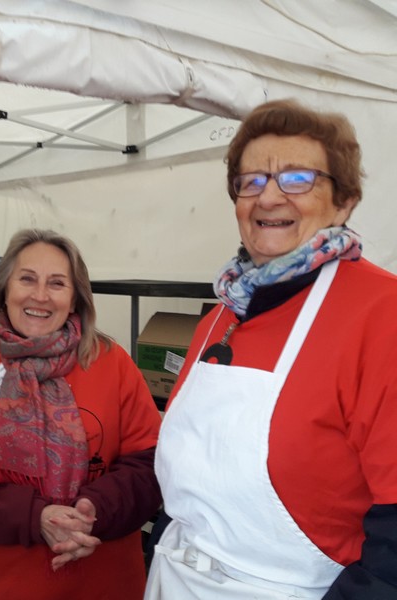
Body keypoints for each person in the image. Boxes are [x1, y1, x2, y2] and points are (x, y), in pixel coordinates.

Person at [145, 99, 397, 599]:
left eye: (298, 179)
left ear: (344, 200)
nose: (269, 197)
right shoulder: (224, 312)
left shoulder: (381, 313)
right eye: (251, 181)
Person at [0, 228, 162, 599]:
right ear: (4, 290)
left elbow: (152, 466)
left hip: (107, 584)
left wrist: (93, 510)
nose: (40, 296)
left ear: (75, 298)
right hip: (6, 586)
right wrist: (35, 517)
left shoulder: (113, 364)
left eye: (57, 283)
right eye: (27, 279)